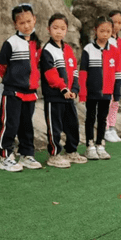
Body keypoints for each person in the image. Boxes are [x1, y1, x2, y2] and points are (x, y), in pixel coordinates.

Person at [0, 3, 42, 172]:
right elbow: (1, 66)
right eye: (22, 23)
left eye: (29, 21)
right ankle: (6, 156)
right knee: (11, 124)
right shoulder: (11, 43)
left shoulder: (37, 43)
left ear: (34, 19)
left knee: (26, 125)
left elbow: (36, 66)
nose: (27, 25)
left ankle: (26, 153)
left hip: (30, 92)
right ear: (15, 25)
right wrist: (13, 80)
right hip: (13, 92)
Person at [39, 13, 87, 168]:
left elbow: (74, 71)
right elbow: (50, 74)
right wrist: (63, 88)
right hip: (54, 97)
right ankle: (54, 155)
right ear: (49, 29)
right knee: (55, 127)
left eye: (62, 28)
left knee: (72, 124)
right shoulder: (47, 50)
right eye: (55, 28)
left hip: (68, 97)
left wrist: (74, 89)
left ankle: (71, 151)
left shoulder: (68, 50)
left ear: (66, 31)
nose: (58, 31)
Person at [79, 16, 121, 160]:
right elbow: (83, 73)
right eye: (102, 31)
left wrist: (117, 92)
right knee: (90, 118)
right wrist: (83, 92)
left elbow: (118, 72)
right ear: (95, 30)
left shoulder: (115, 51)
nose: (105, 34)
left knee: (103, 118)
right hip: (91, 92)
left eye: (108, 31)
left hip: (107, 92)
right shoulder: (88, 49)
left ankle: (100, 144)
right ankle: (89, 145)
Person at [104, 9, 121, 142]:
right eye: (114, 22)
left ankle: (112, 127)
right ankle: (105, 128)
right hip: (108, 76)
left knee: (116, 101)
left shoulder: (120, 41)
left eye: (120, 22)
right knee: (108, 101)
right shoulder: (106, 40)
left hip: (118, 76)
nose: (117, 25)